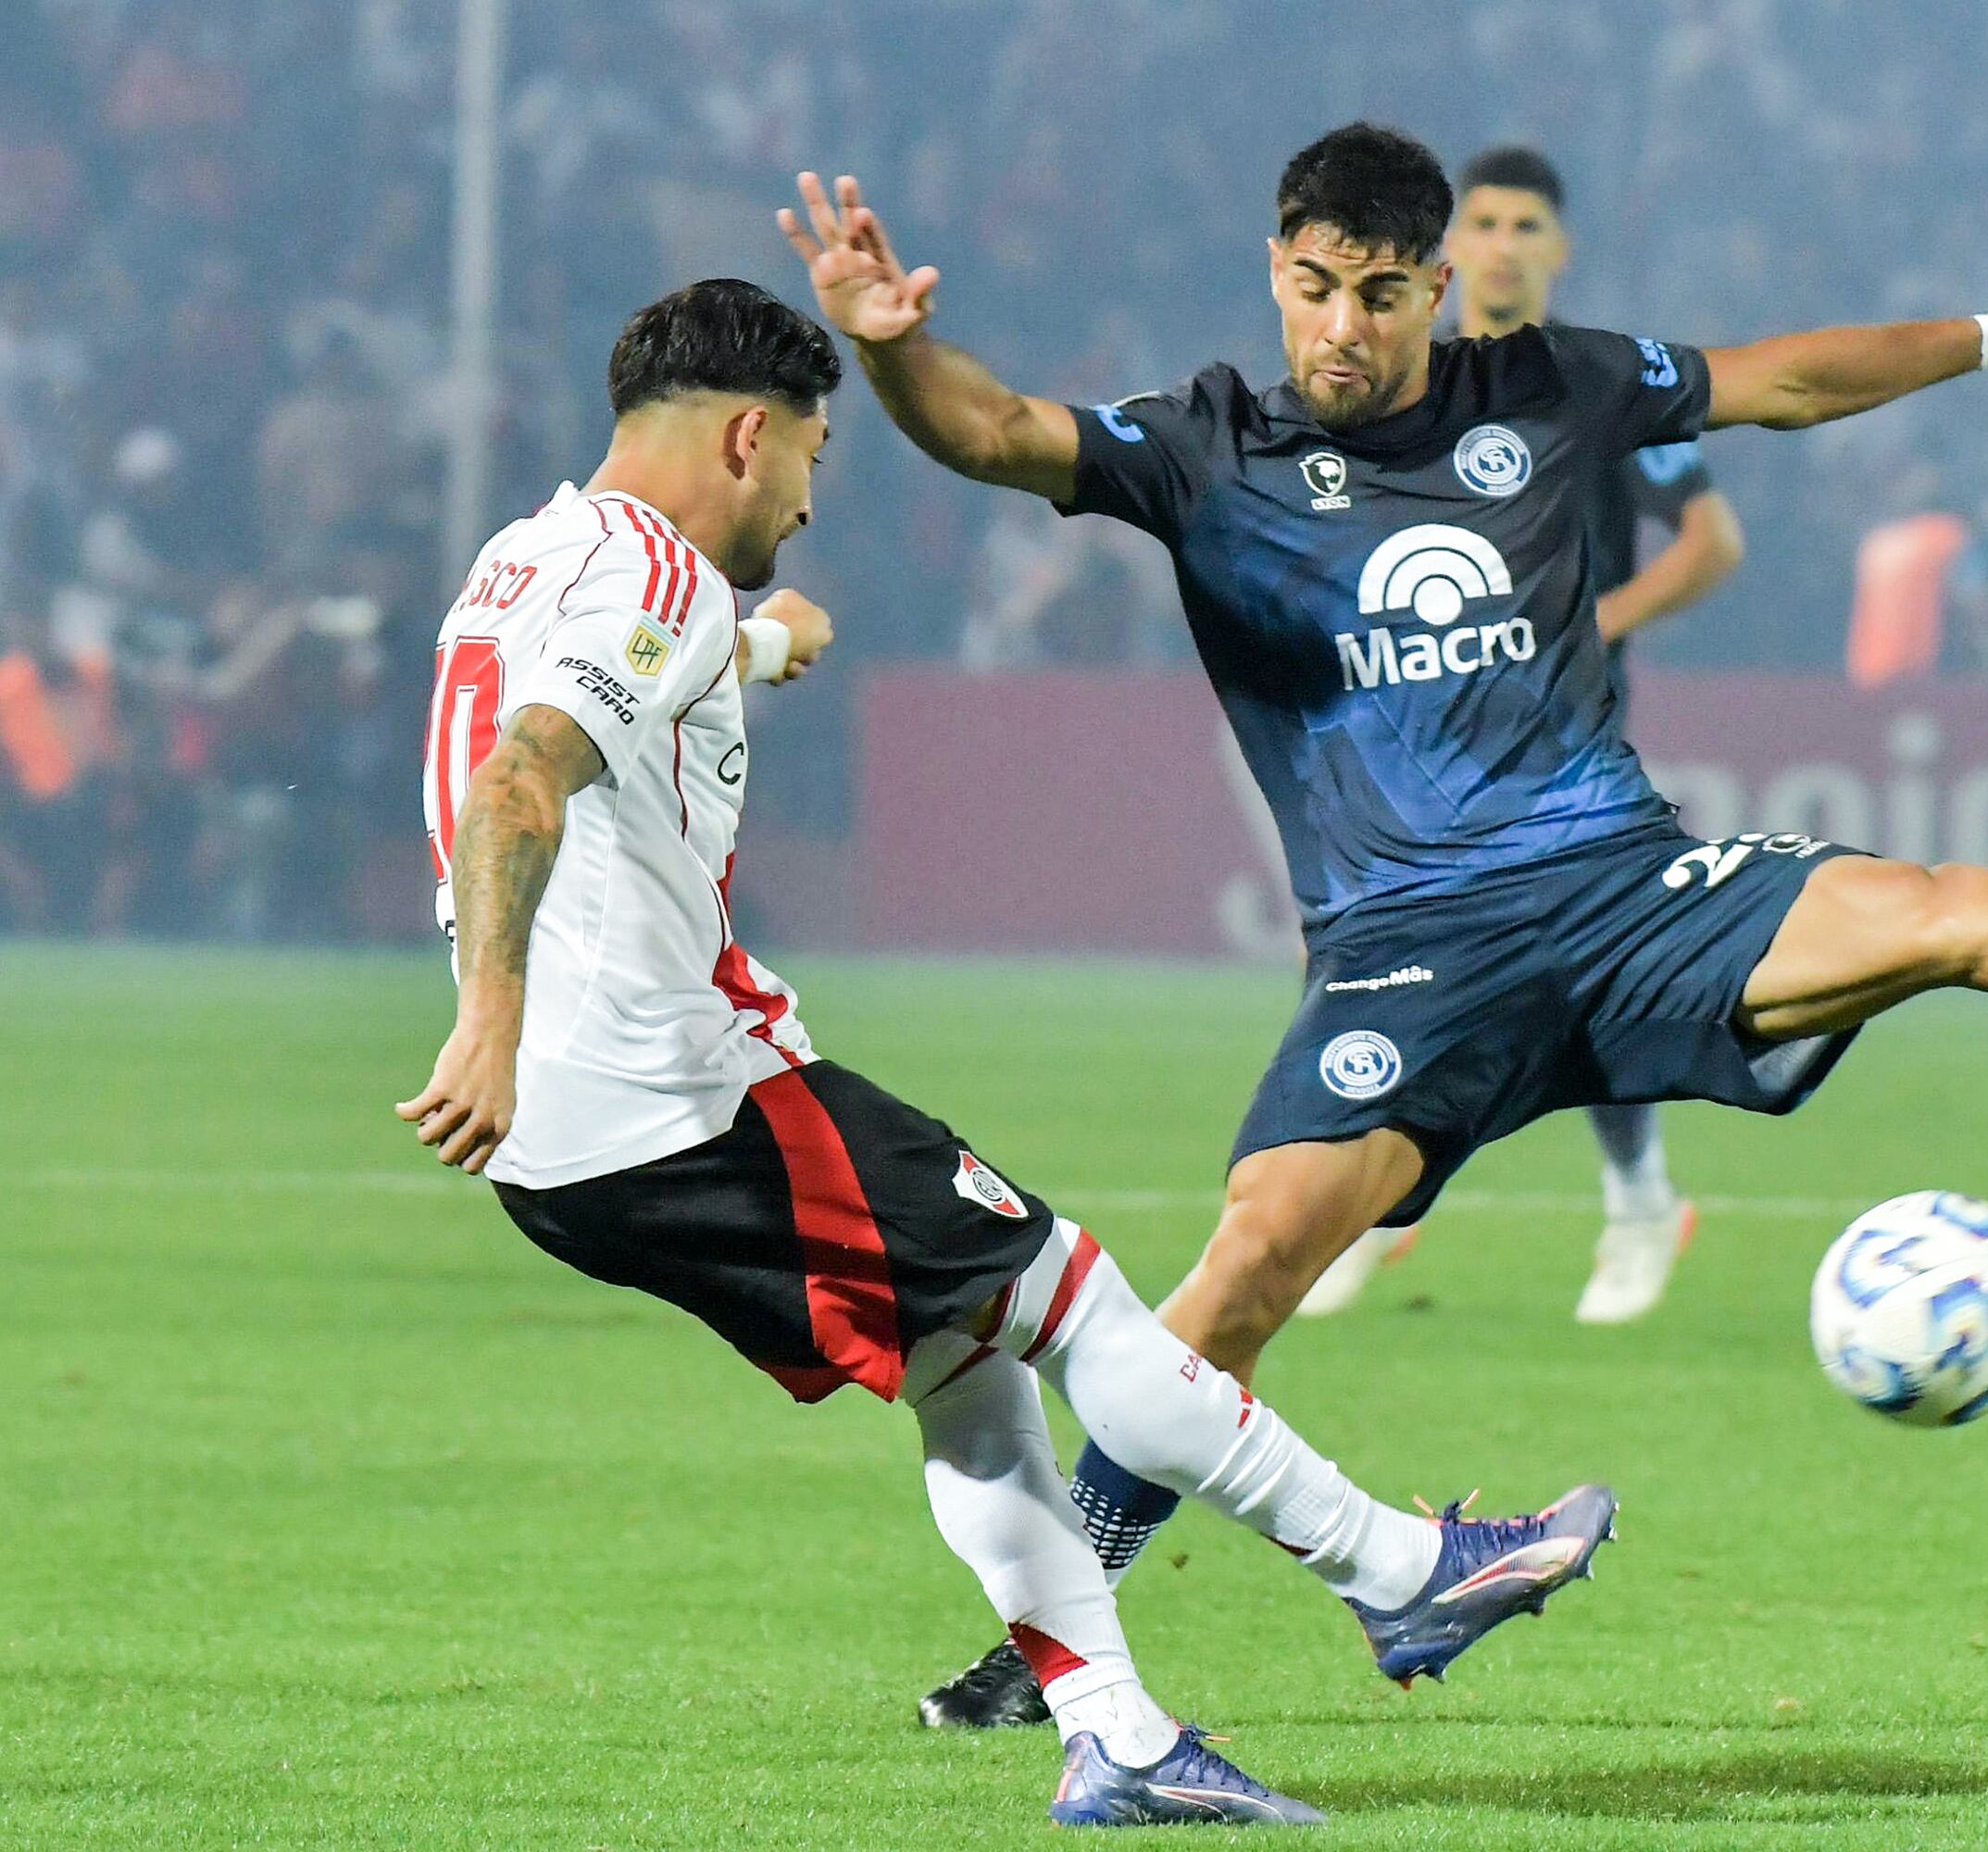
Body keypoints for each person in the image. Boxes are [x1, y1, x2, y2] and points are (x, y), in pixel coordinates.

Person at [781, 123, 1988, 1731]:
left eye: (1382, 291)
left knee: (1941, 910)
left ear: (1437, 287)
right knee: (1247, 1267)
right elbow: (995, 431)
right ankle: (1052, 1648)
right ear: (1276, 273)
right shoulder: (1204, 444)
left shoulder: (1550, 387)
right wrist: (886, 349)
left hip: (1622, 890)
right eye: (1315, 286)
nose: (1345, 326)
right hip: (1407, 947)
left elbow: (1783, 381)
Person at [394, 279, 1617, 1826]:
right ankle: (1402, 1573)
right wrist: (487, 1024)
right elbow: (521, 785)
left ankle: (1116, 1737)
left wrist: (754, 647)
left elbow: (584, 685)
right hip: (679, 1102)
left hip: (570, 1150)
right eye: (816, 463)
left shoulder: (527, 559)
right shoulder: (666, 586)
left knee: (970, 1369)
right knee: (1078, 1302)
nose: (815, 500)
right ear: (748, 439)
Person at [1300, 144, 1747, 1326]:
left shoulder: (1599, 388)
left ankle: (1640, 1195)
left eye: (1525, 224)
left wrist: (1596, 622)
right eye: (1483, 221)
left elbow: (1710, 542)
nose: (1502, 242)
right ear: (1454, 250)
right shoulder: (1408, 377)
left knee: (1586, 969)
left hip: (1563, 732)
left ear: (1559, 247)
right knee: (1394, 952)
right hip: (1419, 720)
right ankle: (1368, 1205)